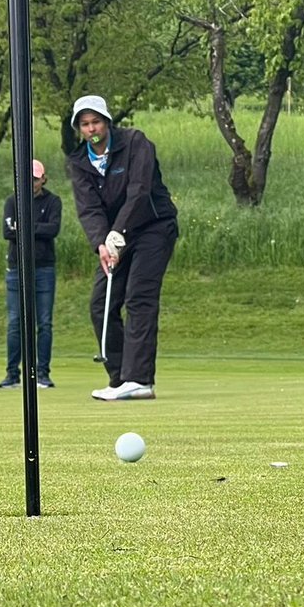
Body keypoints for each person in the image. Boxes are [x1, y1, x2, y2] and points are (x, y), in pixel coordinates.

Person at [65, 95, 178, 401]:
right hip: (115, 237)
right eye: (85, 124)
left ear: (107, 121)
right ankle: (119, 378)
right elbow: (89, 209)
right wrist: (101, 243)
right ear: (79, 129)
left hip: (154, 226)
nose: (92, 129)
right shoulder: (79, 161)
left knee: (138, 297)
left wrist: (116, 234)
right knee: (100, 304)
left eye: (96, 121)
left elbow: (138, 191)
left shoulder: (135, 143)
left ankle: (139, 379)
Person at [0, 159, 62, 390]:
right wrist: (36, 227)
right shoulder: (12, 202)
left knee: (44, 323)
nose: (32, 183)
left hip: (43, 267)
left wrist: (24, 226)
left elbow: (53, 229)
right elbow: (8, 232)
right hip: (17, 268)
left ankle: (42, 373)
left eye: (35, 179)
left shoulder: (53, 201)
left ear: (43, 179)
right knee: (16, 322)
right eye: (27, 178)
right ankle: (12, 374)